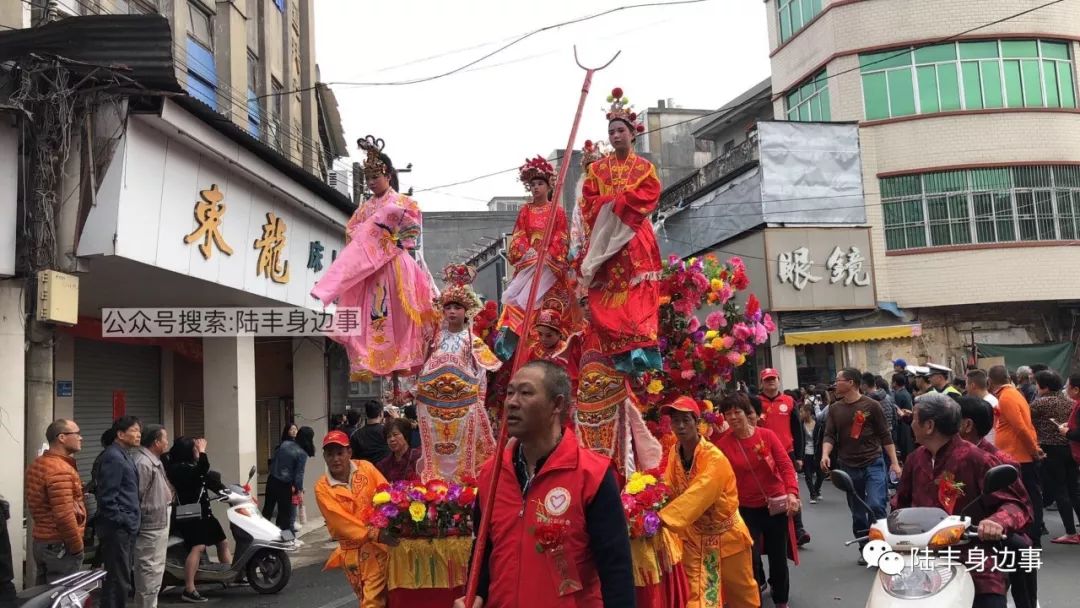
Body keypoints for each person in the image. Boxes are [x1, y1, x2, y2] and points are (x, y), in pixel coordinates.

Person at [460, 360, 636, 608]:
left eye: (526, 393)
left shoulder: (592, 475)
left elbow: (616, 572)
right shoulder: (492, 474)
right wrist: (473, 596)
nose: (512, 402)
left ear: (557, 404)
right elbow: (482, 553)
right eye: (510, 392)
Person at [310, 135, 437, 379]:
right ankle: (371, 359)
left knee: (403, 316)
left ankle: (404, 358)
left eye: (375, 177)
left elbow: (412, 232)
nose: (371, 182)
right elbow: (352, 233)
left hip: (396, 264)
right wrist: (373, 238)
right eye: (367, 178)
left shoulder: (404, 202)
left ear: (388, 175)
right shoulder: (364, 208)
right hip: (370, 268)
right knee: (371, 315)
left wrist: (390, 242)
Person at [893, 392, 1031, 608]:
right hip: (922, 557)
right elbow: (899, 504)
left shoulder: (978, 459)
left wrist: (996, 522)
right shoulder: (914, 460)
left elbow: (1016, 504)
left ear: (929, 426)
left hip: (972, 555)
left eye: (914, 419)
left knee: (990, 600)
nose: (910, 425)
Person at [574, 87, 662, 375]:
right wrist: (611, 203)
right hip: (607, 239)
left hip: (635, 235)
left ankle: (640, 347)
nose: (615, 136)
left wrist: (621, 203)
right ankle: (619, 350)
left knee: (638, 292)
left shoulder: (645, 168)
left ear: (632, 133)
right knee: (609, 294)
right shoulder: (598, 170)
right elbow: (588, 202)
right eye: (611, 131)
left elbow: (650, 195)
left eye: (620, 130)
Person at [659, 396, 758, 608]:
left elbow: (700, 493)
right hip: (695, 539)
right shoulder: (674, 454)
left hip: (727, 537)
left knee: (743, 596)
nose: (681, 426)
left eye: (686, 420)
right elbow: (667, 487)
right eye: (676, 421)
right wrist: (647, 504)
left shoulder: (714, 458)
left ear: (698, 423)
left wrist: (662, 519)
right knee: (700, 600)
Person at [416, 264, 502, 483]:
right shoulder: (434, 339)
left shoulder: (472, 340)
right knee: (436, 452)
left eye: (457, 307)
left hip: (464, 408)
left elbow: (481, 374)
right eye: (448, 307)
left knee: (464, 454)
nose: (452, 311)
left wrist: (478, 404)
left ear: (466, 312)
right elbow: (421, 368)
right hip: (433, 407)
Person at [714, 393, 800, 608]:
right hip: (744, 509)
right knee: (749, 558)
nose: (733, 417)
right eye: (728, 414)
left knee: (777, 558)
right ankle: (753, 599)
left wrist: (792, 493)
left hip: (775, 505)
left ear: (747, 413)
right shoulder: (722, 445)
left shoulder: (767, 436)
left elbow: (785, 465)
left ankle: (781, 599)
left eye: (737, 412)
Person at [956, 395, 1039, 608]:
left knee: (1021, 550)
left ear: (966, 425)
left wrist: (996, 522)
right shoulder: (931, 457)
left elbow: (1019, 505)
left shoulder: (999, 460)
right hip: (945, 535)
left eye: (951, 418)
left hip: (987, 533)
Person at [494, 156, 577, 360]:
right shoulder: (525, 211)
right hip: (530, 265)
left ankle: (554, 352)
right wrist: (530, 253)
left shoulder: (556, 211)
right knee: (522, 308)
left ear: (549, 186)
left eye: (540, 183)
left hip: (550, 268)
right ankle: (524, 353)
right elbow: (519, 235)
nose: (536, 188)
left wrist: (550, 254)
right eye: (532, 185)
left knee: (552, 310)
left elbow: (562, 236)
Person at [820, 368, 901, 563]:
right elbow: (830, 434)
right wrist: (825, 454)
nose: (835, 384)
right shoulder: (835, 409)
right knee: (857, 512)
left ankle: (882, 545)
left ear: (851, 383)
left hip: (873, 462)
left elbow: (885, 435)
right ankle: (866, 549)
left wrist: (895, 464)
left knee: (875, 504)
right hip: (848, 466)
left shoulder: (872, 406)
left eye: (838, 380)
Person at [574, 298, 661, 479]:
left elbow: (635, 366)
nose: (587, 307)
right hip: (587, 409)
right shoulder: (578, 338)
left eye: (589, 301)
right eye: (582, 303)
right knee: (588, 454)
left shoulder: (614, 331)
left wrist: (636, 377)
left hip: (616, 402)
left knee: (622, 454)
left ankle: (626, 498)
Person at [315, 430, 393, 608]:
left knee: (382, 599)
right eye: (330, 454)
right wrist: (374, 533)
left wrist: (389, 521)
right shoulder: (322, 487)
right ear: (324, 457)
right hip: (355, 552)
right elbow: (339, 522)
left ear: (349, 452)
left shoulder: (366, 467)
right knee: (367, 598)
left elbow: (386, 493)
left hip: (384, 545)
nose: (336, 459)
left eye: (340, 453)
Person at [166, 437, 231, 603]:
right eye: (195, 449)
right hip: (190, 516)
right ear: (188, 451)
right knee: (198, 547)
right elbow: (202, 471)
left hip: (204, 514)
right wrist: (203, 452)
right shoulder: (178, 469)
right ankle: (189, 588)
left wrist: (230, 492)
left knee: (222, 542)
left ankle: (228, 577)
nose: (197, 452)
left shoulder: (192, 467)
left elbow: (209, 480)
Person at [987, 364, 1043, 547]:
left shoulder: (1007, 397)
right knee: (1028, 497)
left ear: (990, 381)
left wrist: (1033, 450)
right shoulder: (1010, 394)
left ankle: (1033, 537)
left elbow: (1020, 428)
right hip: (1017, 454)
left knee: (1028, 498)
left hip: (1019, 456)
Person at [26, 419, 87, 584]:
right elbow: (64, 515)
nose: (81, 438)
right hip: (60, 545)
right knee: (61, 595)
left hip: (42, 541)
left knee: (44, 596)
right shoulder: (60, 470)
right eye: (77, 434)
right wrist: (77, 547)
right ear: (62, 437)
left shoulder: (38, 463)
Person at [757, 368, 807, 546]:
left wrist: (799, 456)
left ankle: (799, 527)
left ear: (779, 381)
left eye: (773, 379)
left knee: (791, 489)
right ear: (761, 383)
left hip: (787, 453)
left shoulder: (789, 401)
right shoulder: (756, 403)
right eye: (767, 379)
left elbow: (798, 430)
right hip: (762, 453)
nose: (771, 382)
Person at [1029, 370, 1080, 544]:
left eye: (1037, 384)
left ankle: (1070, 532)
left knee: (1060, 491)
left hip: (1051, 450)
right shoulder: (1070, 401)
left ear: (1044, 386)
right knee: (1074, 491)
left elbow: (1027, 422)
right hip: (1070, 449)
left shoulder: (1039, 404)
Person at [96, 416, 142, 608]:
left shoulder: (124, 454)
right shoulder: (113, 457)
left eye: (139, 430)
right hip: (117, 530)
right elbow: (107, 497)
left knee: (121, 577)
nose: (139, 434)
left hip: (125, 528)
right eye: (134, 430)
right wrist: (124, 521)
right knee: (117, 580)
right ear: (120, 434)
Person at [133, 424, 173, 608]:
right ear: (156, 442)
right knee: (149, 573)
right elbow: (137, 497)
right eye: (164, 438)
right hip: (150, 526)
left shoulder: (153, 460)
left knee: (155, 573)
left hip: (158, 522)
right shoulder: (143, 463)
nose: (167, 442)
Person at [264, 426, 316, 531]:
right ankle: (287, 540)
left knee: (267, 510)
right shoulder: (302, 453)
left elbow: (274, 461)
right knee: (285, 515)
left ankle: (261, 535)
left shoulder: (284, 444)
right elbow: (299, 474)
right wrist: (299, 489)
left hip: (271, 479)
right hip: (284, 484)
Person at [351, 400, 391, 464]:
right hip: (384, 472)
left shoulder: (356, 435)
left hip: (364, 472)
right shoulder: (388, 432)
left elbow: (353, 460)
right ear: (381, 414)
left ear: (366, 415)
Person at [967, 369, 999, 445]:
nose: (966, 387)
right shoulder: (991, 400)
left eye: (966, 384)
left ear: (972, 385)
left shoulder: (988, 403)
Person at [800, 404, 824, 503]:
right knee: (808, 474)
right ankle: (812, 494)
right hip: (805, 452)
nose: (800, 414)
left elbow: (823, 439)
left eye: (802, 411)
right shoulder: (800, 424)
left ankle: (816, 489)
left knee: (821, 474)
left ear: (808, 412)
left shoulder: (818, 424)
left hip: (817, 452)